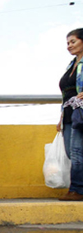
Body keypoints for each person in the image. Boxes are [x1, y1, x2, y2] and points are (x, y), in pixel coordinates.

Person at [58, 29, 83, 201]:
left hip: (80, 111)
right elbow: (66, 92)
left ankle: (77, 189)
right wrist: (60, 116)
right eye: (68, 43)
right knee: (70, 151)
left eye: (73, 41)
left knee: (77, 151)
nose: (69, 46)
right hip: (68, 112)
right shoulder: (71, 64)